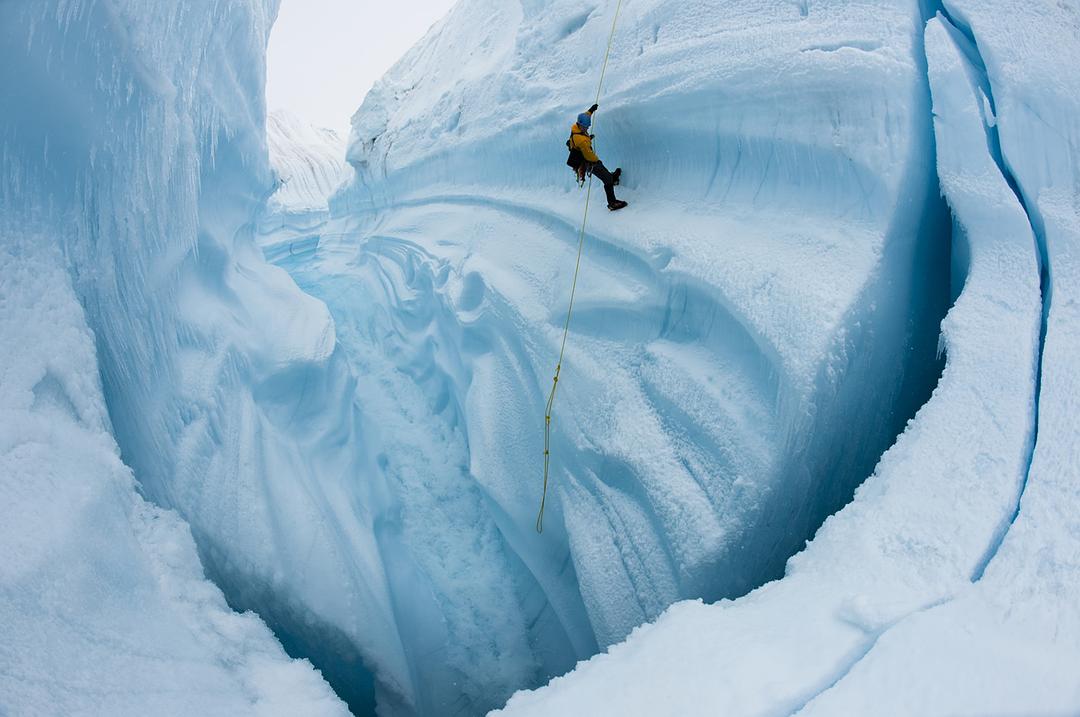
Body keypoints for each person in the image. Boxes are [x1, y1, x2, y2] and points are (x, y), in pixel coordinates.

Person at [568, 104, 627, 211]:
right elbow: (589, 155)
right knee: (605, 176)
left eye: (587, 126)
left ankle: (610, 177)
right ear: (580, 125)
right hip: (587, 162)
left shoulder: (577, 127)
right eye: (585, 127)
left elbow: (586, 115)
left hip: (584, 153)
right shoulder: (581, 140)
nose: (587, 128)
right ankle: (612, 202)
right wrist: (596, 160)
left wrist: (591, 110)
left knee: (603, 170)